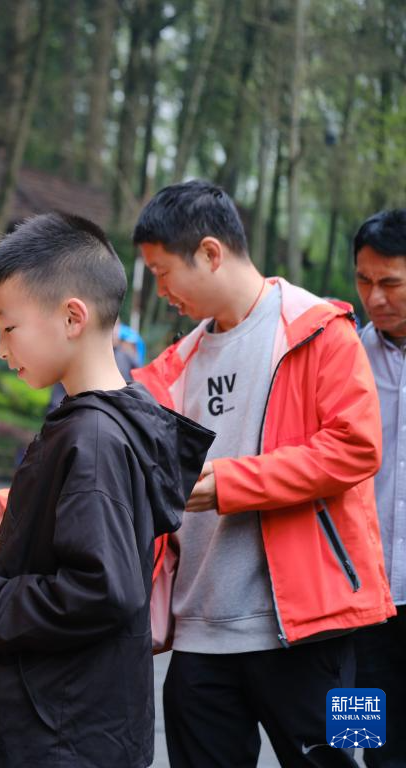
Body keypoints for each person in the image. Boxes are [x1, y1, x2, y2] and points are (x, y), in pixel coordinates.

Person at [0, 212, 213, 767]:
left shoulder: (95, 437)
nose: (2, 348)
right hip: (71, 722)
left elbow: (98, 590)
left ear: (72, 317)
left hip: (61, 735)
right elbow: (78, 566)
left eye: (9, 328)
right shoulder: (101, 425)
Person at [132, 181, 394, 767]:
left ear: (210, 252)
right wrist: (3, 504)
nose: (160, 290)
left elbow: (355, 448)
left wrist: (230, 484)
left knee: (350, 756)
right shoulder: (173, 366)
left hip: (318, 630)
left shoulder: (323, 328)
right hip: (199, 640)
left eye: (162, 272)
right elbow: (115, 462)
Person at [353, 208, 406, 768]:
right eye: (364, 280)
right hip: (360, 600)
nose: (374, 297)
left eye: (390, 282)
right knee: (358, 738)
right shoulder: (343, 357)